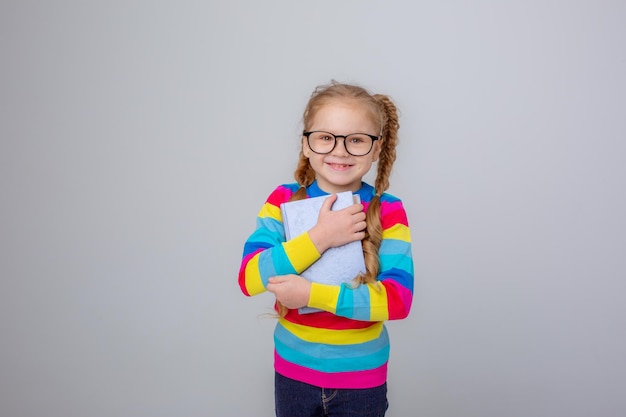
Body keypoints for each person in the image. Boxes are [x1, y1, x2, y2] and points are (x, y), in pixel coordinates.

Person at [238, 81, 414, 417]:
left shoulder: (389, 210)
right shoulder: (281, 201)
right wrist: (321, 237)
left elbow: (398, 300)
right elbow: (249, 279)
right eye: (325, 137)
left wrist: (311, 295)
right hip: (293, 374)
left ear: (376, 149)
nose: (340, 150)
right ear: (306, 144)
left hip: (361, 381)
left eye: (357, 140)